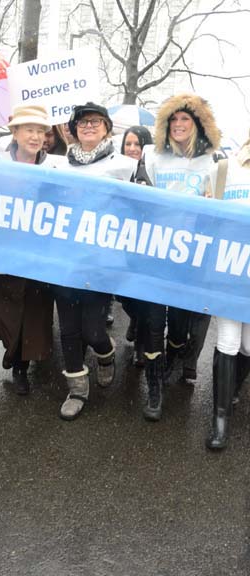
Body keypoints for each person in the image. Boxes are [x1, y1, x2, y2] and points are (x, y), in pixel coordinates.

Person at [53, 102, 137, 420]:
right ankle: (77, 389)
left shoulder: (125, 166)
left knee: (92, 330)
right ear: (72, 130)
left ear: (106, 127)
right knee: (68, 331)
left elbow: (144, 208)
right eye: (82, 122)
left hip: (102, 263)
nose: (88, 126)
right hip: (65, 262)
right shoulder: (57, 166)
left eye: (95, 121)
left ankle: (105, 353)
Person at [141, 93, 221, 421]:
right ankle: (154, 386)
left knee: (179, 325)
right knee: (151, 321)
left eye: (185, 119)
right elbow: (139, 198)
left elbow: (218, 209)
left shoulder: (211, 162)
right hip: (155, 252)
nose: (178, 125)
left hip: (189, 257)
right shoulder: (153, 157)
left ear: (198, 124)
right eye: (173, 120)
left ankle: (175, 352)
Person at [0, 105, 57, 395]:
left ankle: (20, 367)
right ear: (15, 132)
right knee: (5, 309)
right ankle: (11, 349)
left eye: (40, 131)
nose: (35, 136)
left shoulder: (54, 167)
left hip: (39, 255)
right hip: (3, 253)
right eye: (29, 130)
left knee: (34, 312)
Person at [206, 136, 250, 449]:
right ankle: (219, 420)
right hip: (229, 270)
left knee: (247, 345)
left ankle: (233, 388)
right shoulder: (225, 169)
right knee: (228, 342)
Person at [119, 126, 154, 365]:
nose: (132, 149)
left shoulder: (152, 171)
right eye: (128, 144)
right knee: (125, 297)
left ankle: (140, 348)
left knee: (142, 297)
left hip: (145, 246)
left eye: (137, 144)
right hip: (119, 245)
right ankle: (134, 320)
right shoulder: (115, 168)